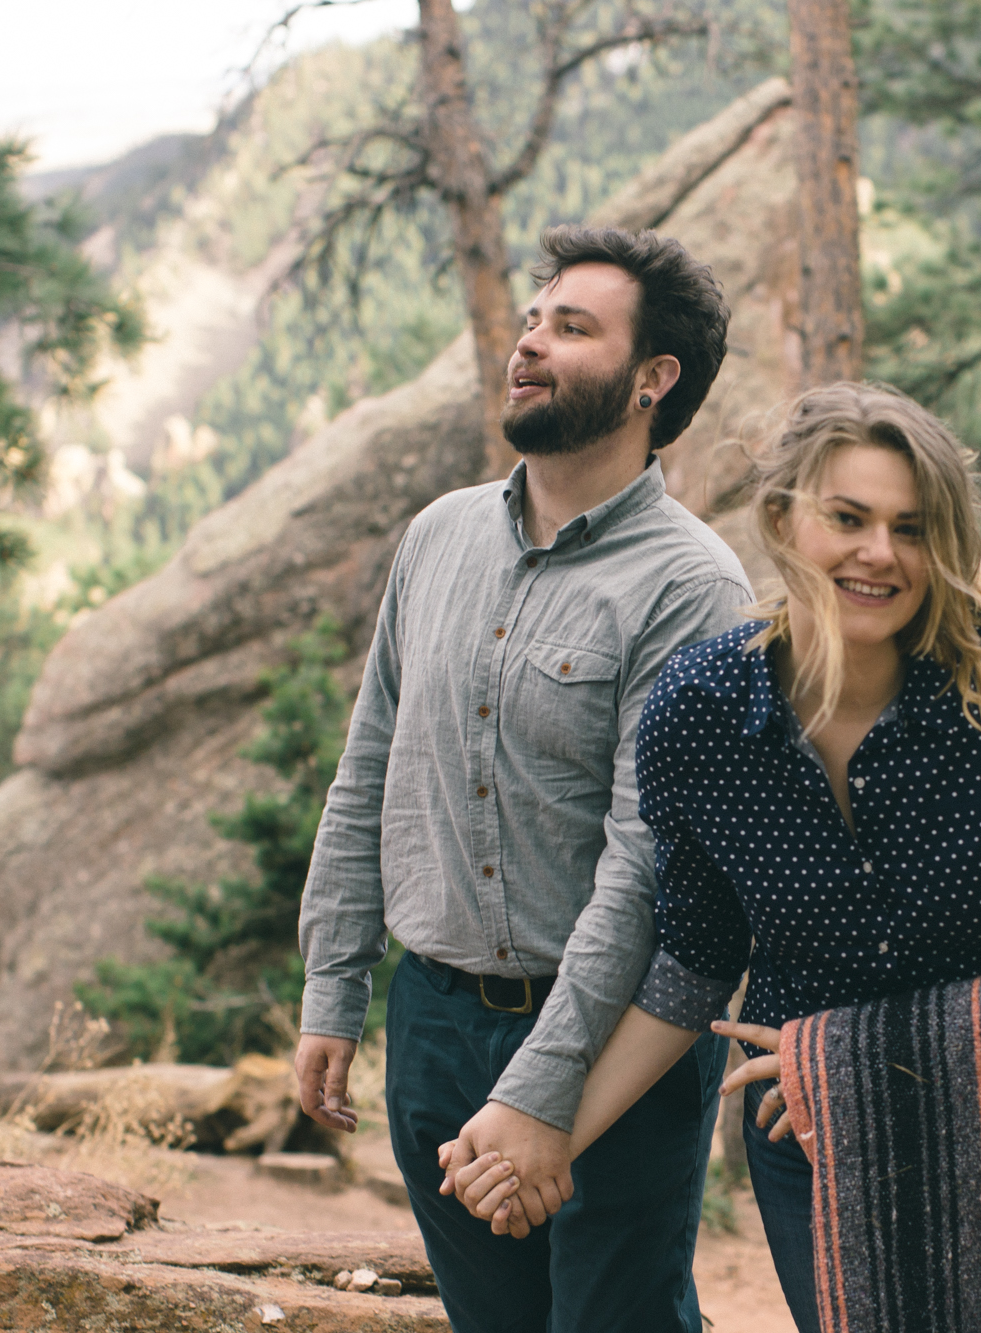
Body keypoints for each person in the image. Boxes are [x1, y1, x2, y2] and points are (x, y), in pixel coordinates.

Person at [450, 381, 981, 1330]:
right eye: (848, 517)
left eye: (912, 528)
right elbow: (694, 964)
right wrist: (546, 1124)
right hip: (815, 1142)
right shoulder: (701, 713)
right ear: (783, 521)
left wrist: (855, 1065)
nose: (880, 552)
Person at [293, 224, 753, 1332]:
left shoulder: (693, 588)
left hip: (613, 1039)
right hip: (434, 1023)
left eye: (572, 328)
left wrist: (542, 1090)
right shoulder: (437, 537)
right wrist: (333, 985)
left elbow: (643, 868)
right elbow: (370, 770)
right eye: (534, 319)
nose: (529, 343)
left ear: (652, 379)